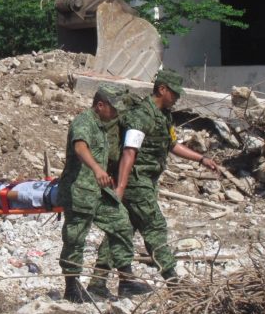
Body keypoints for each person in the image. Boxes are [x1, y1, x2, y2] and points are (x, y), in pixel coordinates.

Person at [91, 69, 218, 290]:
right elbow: (129, 152)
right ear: (162, 89)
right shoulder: (142, 116)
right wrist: (121, 186)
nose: (177, 98)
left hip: (145, 181)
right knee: (154, 228)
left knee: (122, 230)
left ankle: (99, 282)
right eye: (174, 93)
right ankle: (173, 281)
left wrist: (201, 159)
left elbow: (172, 145)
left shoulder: (163, 116)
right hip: (135, 182)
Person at [58, 84, 150, 303]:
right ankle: (71, 287)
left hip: (98, 192)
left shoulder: (102, 126)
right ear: (100, 105)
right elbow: (80, 147)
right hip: (78, 192)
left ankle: (126, 280)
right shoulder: (84, 121)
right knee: (75, 239)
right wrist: (97, 169)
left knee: (121, 224)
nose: (116, 113)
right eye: (113, 108)